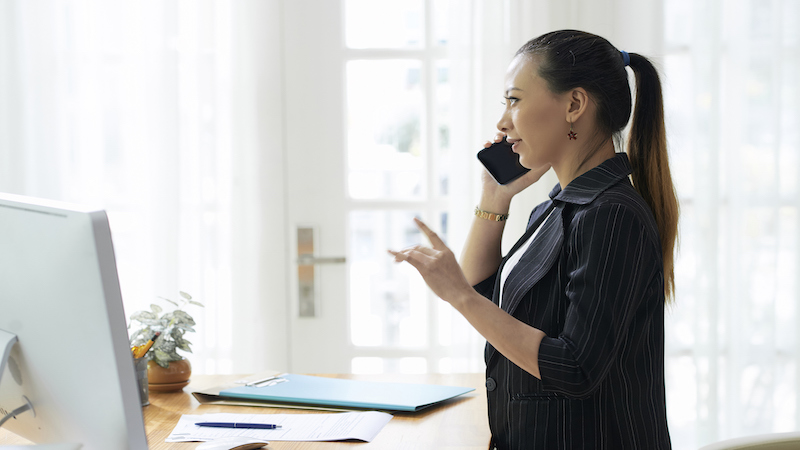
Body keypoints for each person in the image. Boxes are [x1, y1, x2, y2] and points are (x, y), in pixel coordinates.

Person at [388, 30, 678, 449]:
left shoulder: (611, 214)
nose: (502, 121)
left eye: (515, 100)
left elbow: (576, 366)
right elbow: (487, 297)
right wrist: (495, 197)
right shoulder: (561, 206)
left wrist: (460, 298)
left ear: (574, 105)